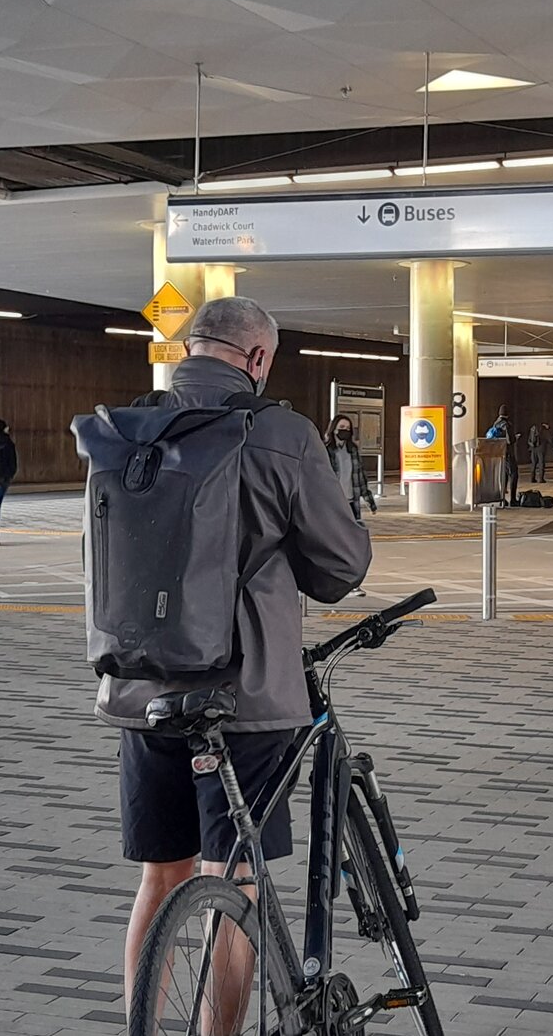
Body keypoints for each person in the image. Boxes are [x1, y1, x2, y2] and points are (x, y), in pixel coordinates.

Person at [99, 297, 371, 1010]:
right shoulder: (281, 434)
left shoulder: (129, 427)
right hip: (244, 698)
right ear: (257, 359)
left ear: (191, 348)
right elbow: (341, 567)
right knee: (235, 879)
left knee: (162, 877)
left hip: (140, 691)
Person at [325, 414, 374, 519]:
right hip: (333, 502)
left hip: (351, 501)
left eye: (348, 428)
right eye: (342, 427)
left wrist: (369, 500)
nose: (345, 430)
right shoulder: (326, 450)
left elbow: (360, 477)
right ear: (334, 429)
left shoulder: (352, 450)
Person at [486, 411, 516, 500]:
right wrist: (515, 438)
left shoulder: (496, 423)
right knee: (514, 474)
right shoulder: (505, 424)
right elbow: (510, 440)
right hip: (507, 452)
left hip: (499, 453)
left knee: (503, 475)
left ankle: (502, 498)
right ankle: (513, 499)